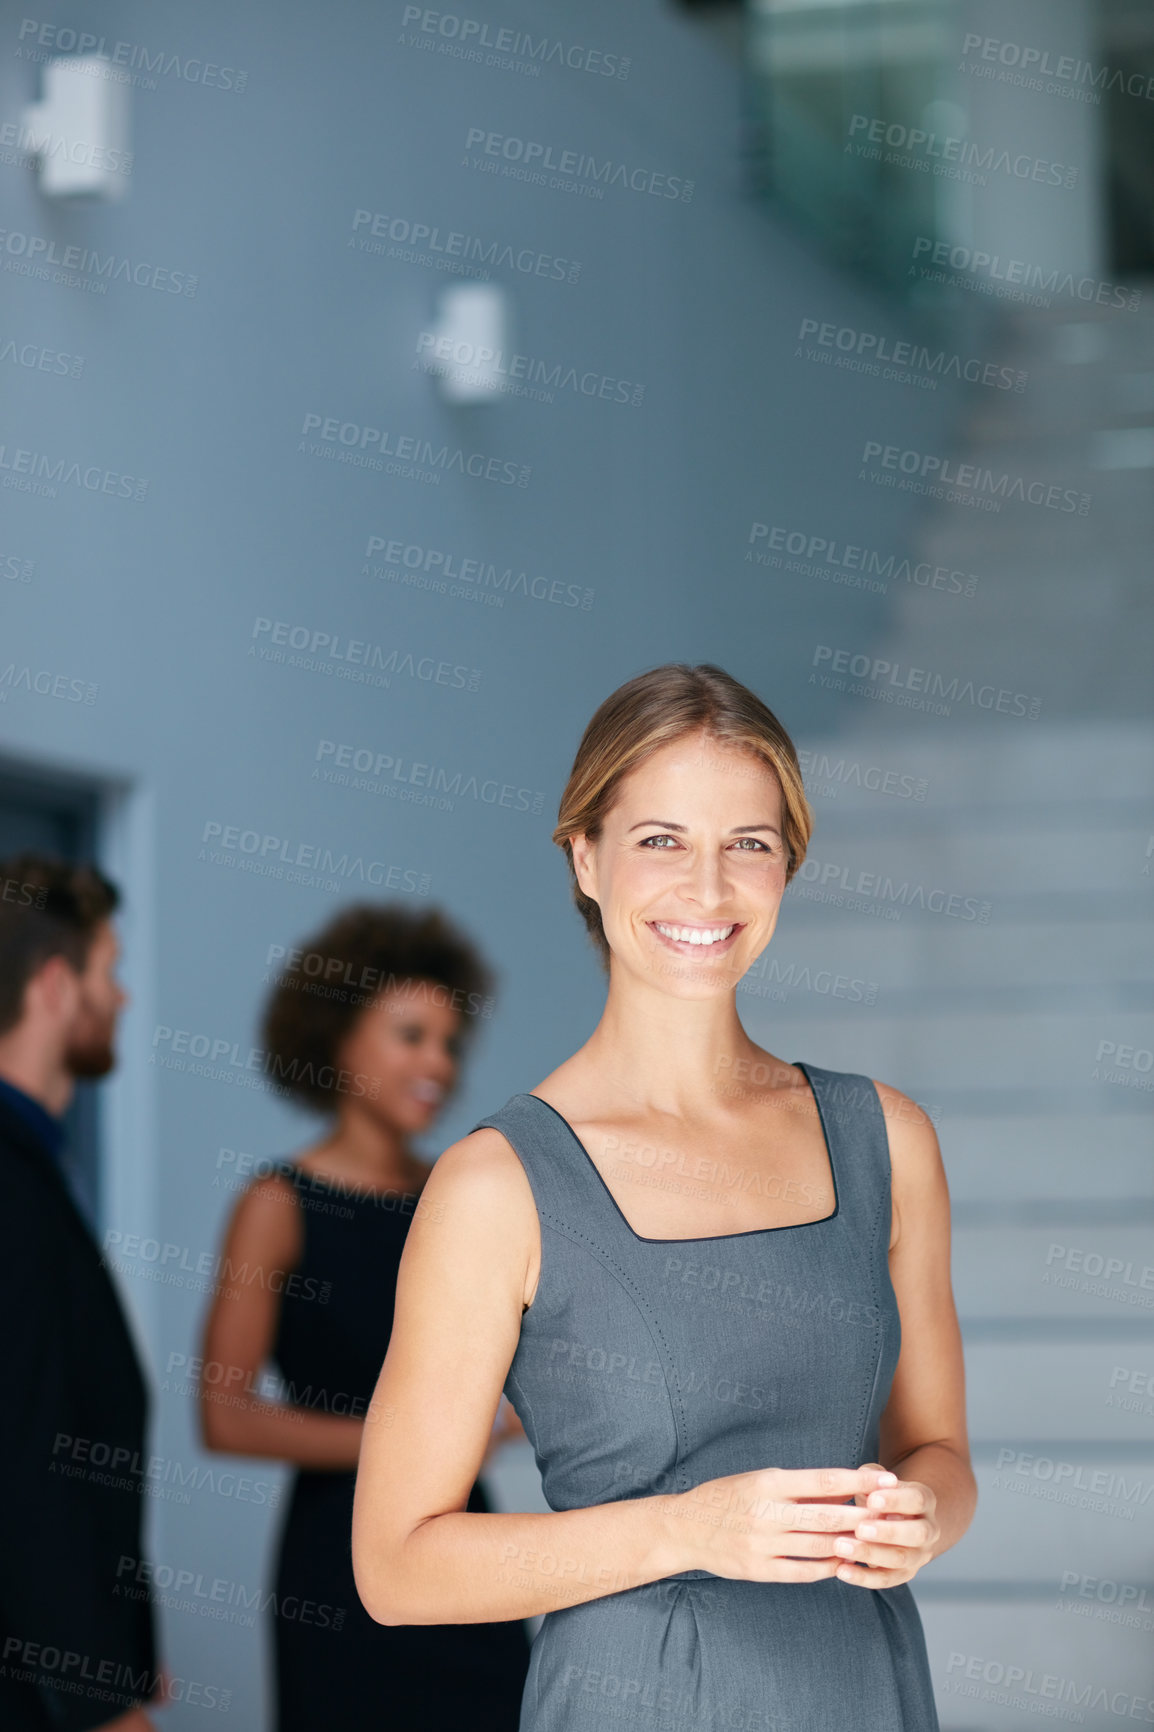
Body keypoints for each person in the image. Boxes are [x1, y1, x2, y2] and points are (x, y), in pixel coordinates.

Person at [351, 663, 978, 1730]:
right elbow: (396, 1567)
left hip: (863, 1688)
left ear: (786, 864)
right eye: (659, 840)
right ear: (584, 857)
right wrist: (687, 1532)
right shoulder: (497, 1186)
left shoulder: (887, 1140)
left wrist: (923, 1520)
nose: (707, 889)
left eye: (749, 842)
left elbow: (939, 1455)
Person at [198, 902, 530, 1731]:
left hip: (465, 1550)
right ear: (338, 1038)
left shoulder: (463, 1193)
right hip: (335, 1565)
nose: (440, 1064)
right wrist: (415, 1445)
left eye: (451, 1043)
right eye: (411, 1035)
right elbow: (225, 1416)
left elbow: (523, 1368)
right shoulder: (277, 1204)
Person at [0, 853, 162, 1732]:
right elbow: (23, 1455)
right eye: (111, 971)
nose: (124, 999)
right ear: (59, 985)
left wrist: (129, 1649)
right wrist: (102, 1698)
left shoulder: (35, 1168)